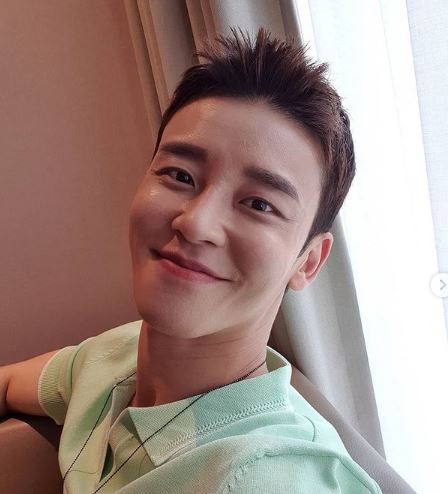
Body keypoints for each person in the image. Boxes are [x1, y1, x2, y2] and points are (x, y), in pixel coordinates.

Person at [1, 26, 382, 493]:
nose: (196, 223)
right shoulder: (116, 356)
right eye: (180, 175)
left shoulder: (270, 478)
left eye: (259, 204)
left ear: (308, 262)